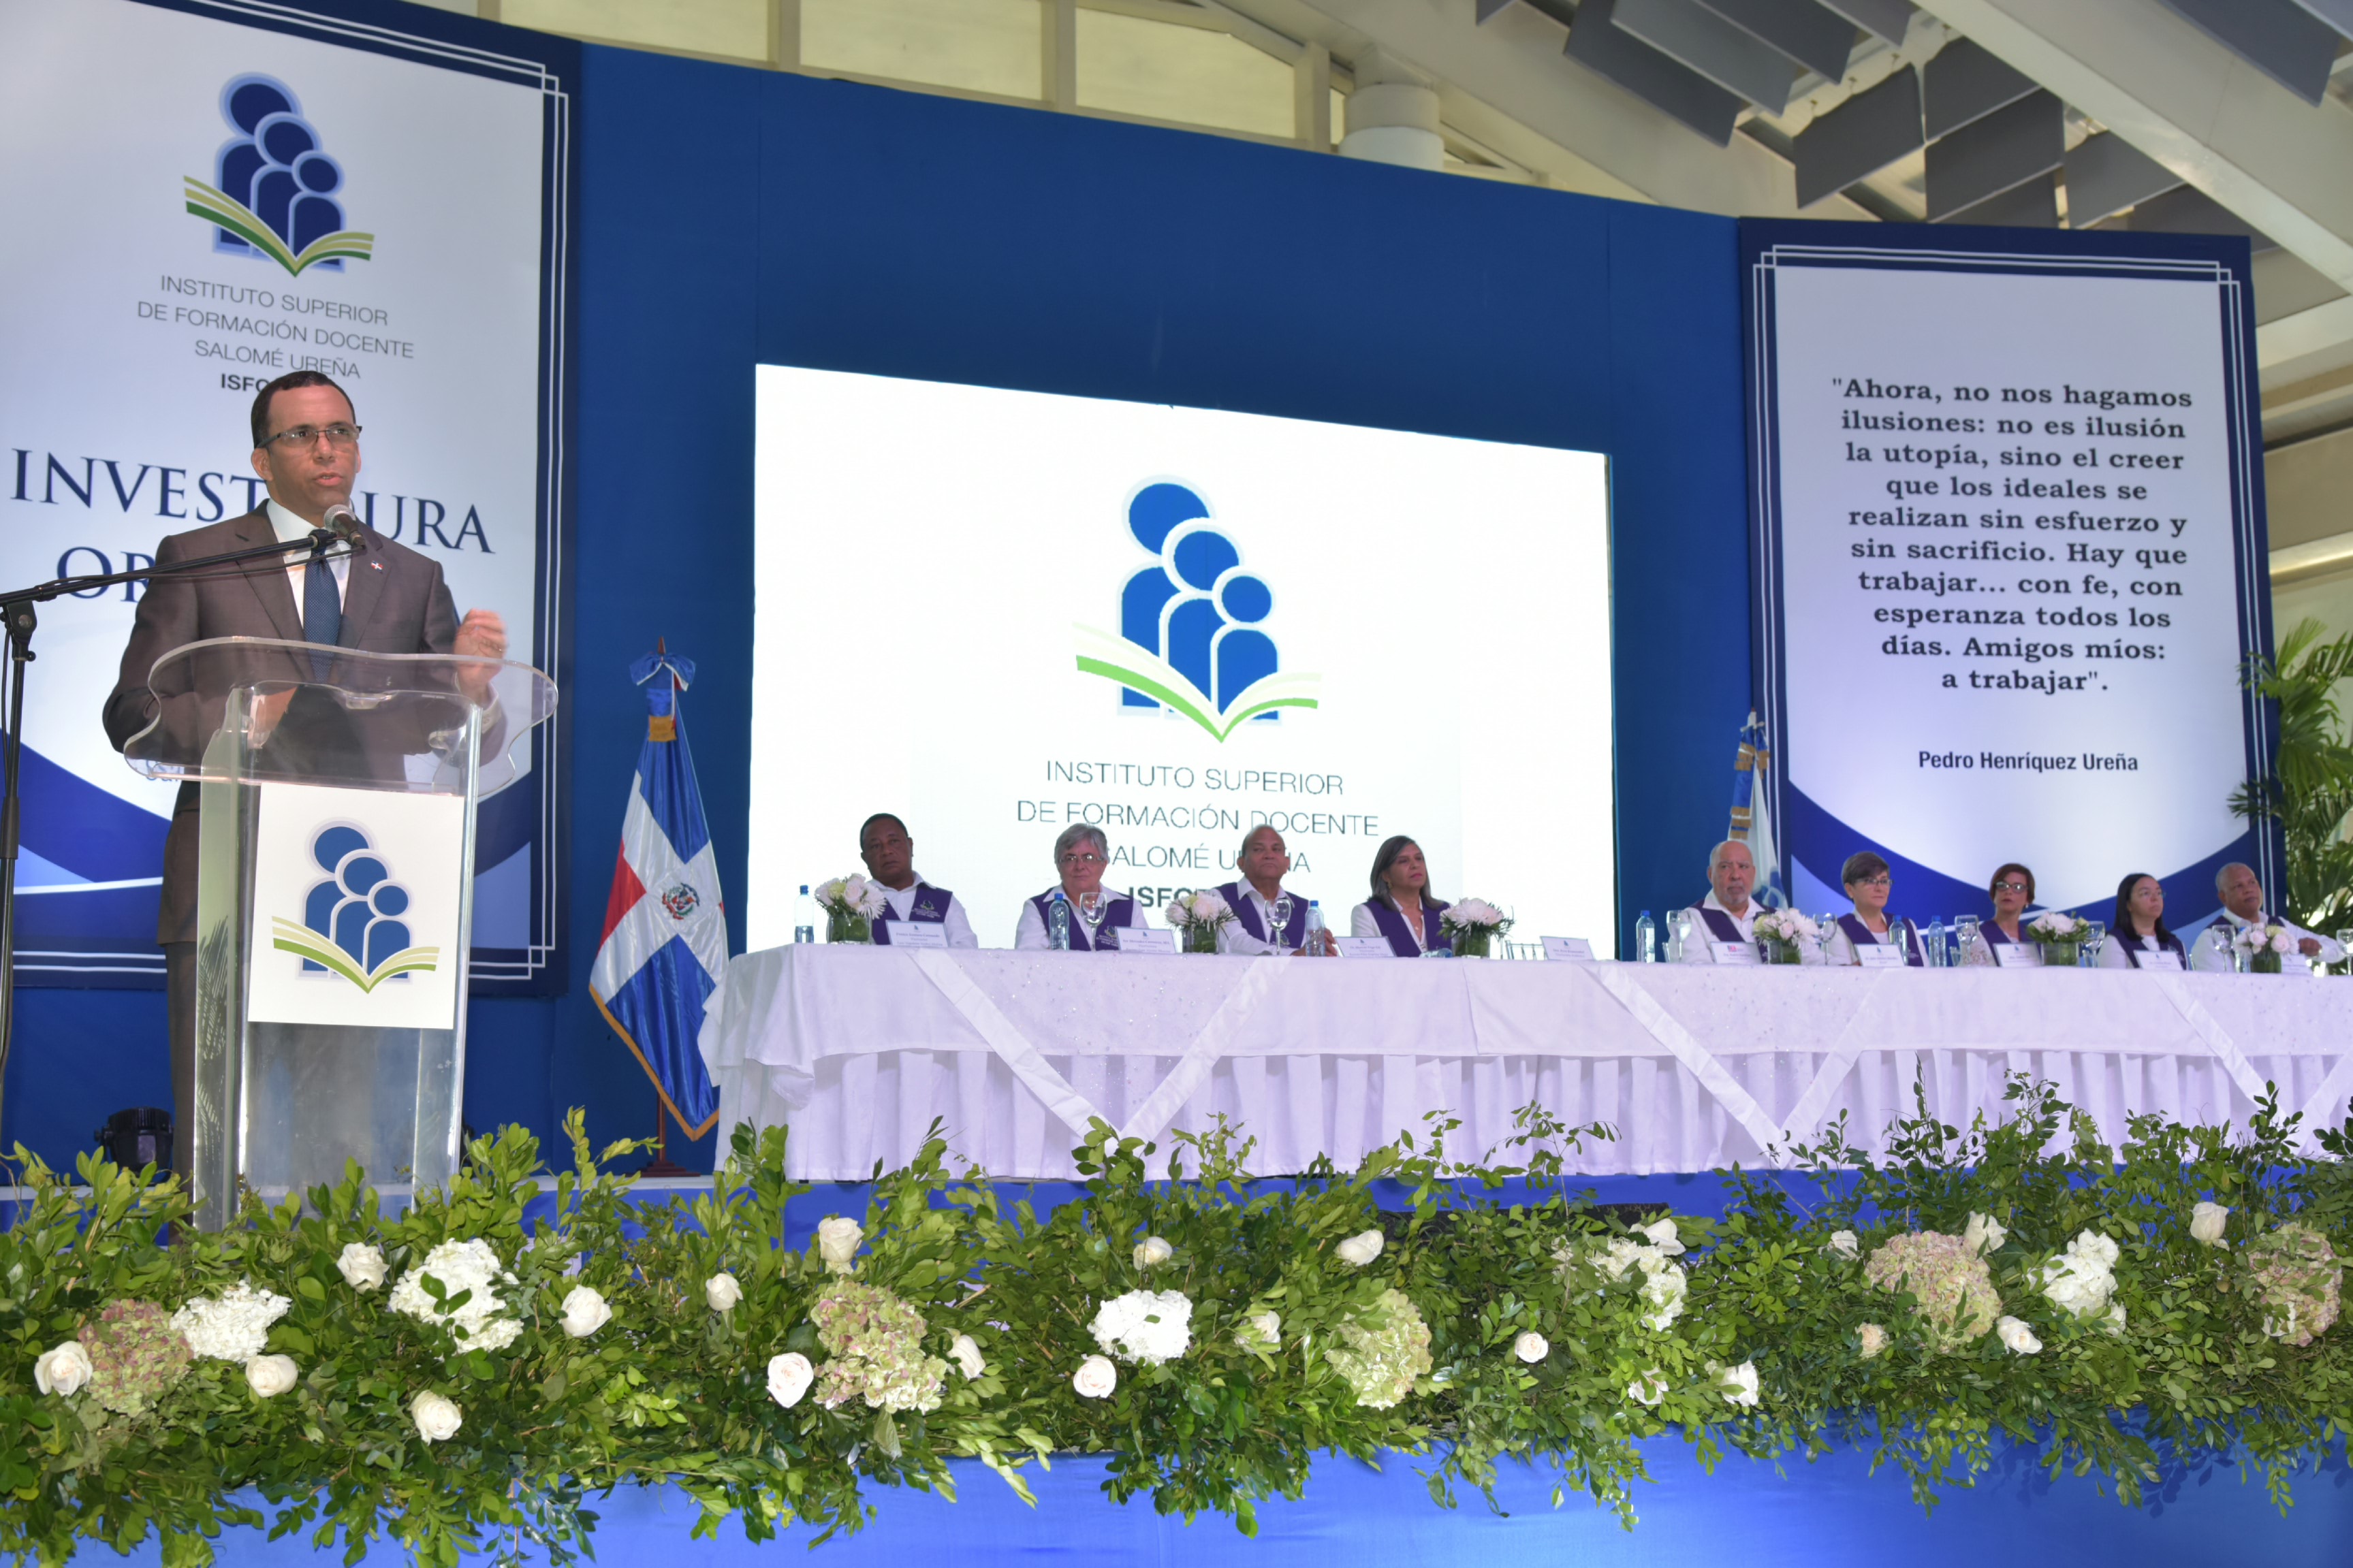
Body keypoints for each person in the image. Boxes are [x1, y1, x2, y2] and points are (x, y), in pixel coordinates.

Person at [101, 371, 506, 1171]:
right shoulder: (198, 559)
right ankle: (209, 1294)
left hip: (360, 896)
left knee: (345, 1140)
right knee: (218, 1144)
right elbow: (131, 713)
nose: (328, 450)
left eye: (342, 432)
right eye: (303, 435)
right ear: (262, 458)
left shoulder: (411, 574)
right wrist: (244, 714)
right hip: (230, 880)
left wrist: (471, 694)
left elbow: (458, 733)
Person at [1675, 839, 1818, 963]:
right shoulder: (1690, 920)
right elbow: (1696, 974)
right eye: (1725, 867)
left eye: (1743, 867)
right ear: (1710, 874)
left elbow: (1815, 960)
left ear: (1754, 873)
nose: (1736, 875)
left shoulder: (1777, 917)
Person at [2192, 862, 2345, 972]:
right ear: (2223, 897)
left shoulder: (2279, 924)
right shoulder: (2212, 938)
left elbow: (2337, 951)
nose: (2249, 890)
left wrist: (2318, 951)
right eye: (2239, 886)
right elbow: (2214, 989)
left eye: (2252, 883)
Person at [1014, 824, 1148, 950]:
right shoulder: (1038, 908)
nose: (1080, 866)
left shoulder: (1130, 908)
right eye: (1070, 858)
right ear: (1058, 864)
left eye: (1088, 857)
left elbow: (1148, 962)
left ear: (1104, 864)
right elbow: (1028, 963)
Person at [857, 812, 975, 948]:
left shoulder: (944, 902)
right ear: (864, 858)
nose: (886, 851)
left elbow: (967, 954)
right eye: (876, 846)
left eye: (894, 841)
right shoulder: (853, 903)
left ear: (910, 845)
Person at [1214, 824, 1332, 955]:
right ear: (1241, 862)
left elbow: (1314, 955)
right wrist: (1295, 956)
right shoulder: (1219, 898)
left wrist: (1322, 951)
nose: (1269, 855)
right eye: (1258, 849)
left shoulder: (1306, 909)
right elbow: (1233, 943)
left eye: (1276, 850)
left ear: (1287, 863)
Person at [1350, 835, 1451, 956]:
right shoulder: (1367, 914)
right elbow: (1366, 968)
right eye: (1404, 861)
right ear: (1386, 875)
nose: (1415, 865)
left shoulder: (1446, 912)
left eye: (1419, 859)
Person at [1824, 850, 1924, 966]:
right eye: (1870, 881)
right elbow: (1838, 978)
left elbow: (1929, 976)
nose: (1880, 888)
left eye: (1884, 881)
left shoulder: (1907, 926)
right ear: (1850, 890)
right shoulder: (1836, 929)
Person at [2100, 871, 2188, 970]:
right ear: (2128, 904)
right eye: (2146, 893)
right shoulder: (2115, 941)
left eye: (2159, 893)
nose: (2155, 898)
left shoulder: (2175, 943)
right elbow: (2111, 984)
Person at [1962, 863, 2038, 965]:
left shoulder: (2035, 937)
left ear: (2028, 898)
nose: (2009, 891)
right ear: (1994, 894)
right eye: (2002, 885)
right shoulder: (1976, 935)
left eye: (2018, 887)